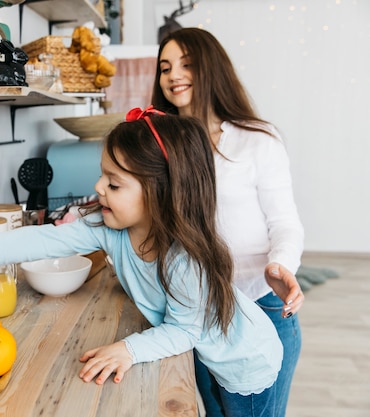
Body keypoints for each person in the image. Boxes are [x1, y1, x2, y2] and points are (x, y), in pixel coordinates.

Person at [0, 108, 284, 417]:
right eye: (102, 175)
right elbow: (47, 238)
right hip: (207, 350)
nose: (98, 186)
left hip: (244, 364)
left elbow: (184, 331)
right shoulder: (111, 229)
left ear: (162, 193)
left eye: (114, 183)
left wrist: (129, 348)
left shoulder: (184, 261)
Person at [151, 27, 305, 417]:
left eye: (186, 64)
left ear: (211, 69)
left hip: (261, 306)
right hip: (197, 309)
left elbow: (285, 222)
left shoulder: (258, 140)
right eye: (165, 68)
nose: (172, 76)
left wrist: (280, 265)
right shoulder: (160, 145)